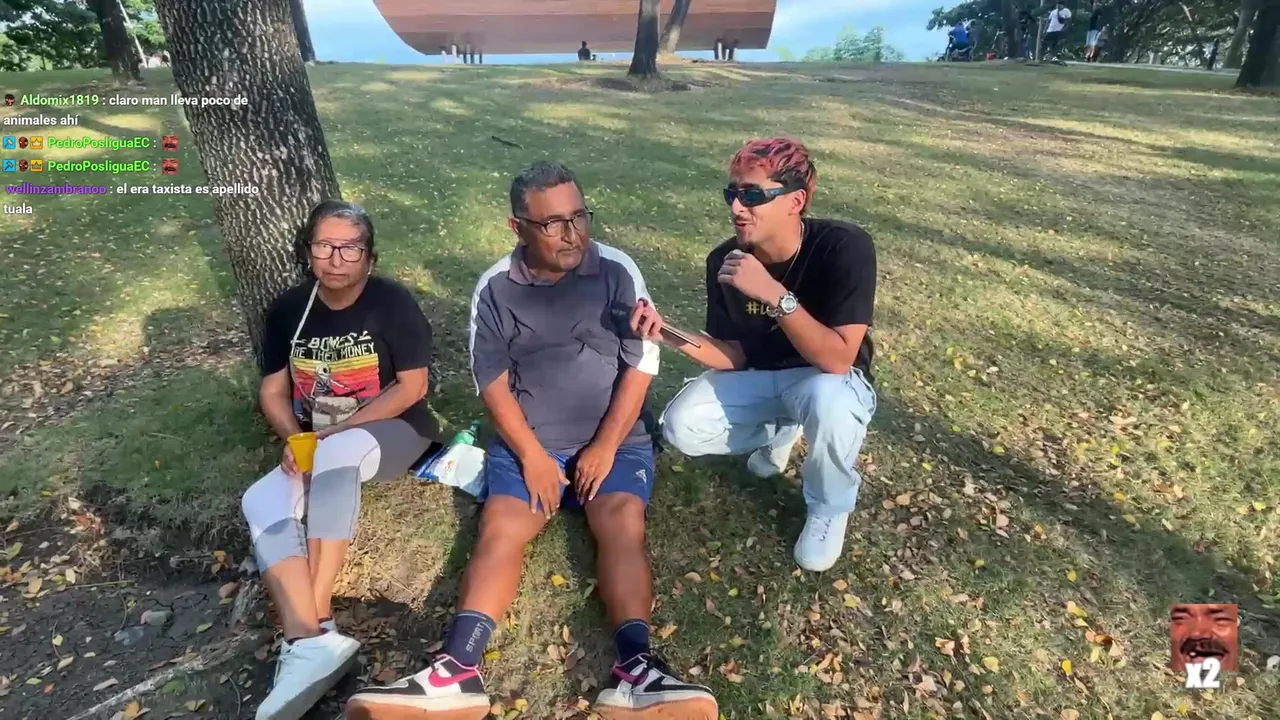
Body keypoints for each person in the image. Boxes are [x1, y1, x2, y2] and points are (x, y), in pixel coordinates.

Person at [343, 162, 718, 720]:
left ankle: (638, 672)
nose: (572, 234)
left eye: (579, 217)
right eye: (553, 224)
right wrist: (534, 457)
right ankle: (456, 673)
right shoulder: (495, 288)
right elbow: (491, 384)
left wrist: (605, 447)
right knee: (502, 526)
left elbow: (641, 364)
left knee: (621, 522)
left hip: (613, 439)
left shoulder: (618, 270)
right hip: (530, 441)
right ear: (517, 227)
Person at [634, 137, 877, 573]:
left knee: (828, 402)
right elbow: (734, 354)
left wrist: (773, 294)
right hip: (764, 378)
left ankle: (828, 506)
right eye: (732, 193)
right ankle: (781, 430)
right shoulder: (724, 260)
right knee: (681, 426)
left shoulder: (844, 247)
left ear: (795, 201)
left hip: (830, 380)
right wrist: (669, 335)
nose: (736, 207)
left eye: (751, 195)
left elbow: (839, 359)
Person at [241, 200, 444, 720]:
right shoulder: (289, 309)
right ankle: (310, 641)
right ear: (308, 253)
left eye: (350, 248)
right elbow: (272, 391)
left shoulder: (392, 303)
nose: (336, 258)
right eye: (324, 246)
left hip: (397, 432)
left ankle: (317, 616)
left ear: (369, 257)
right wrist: (296, 439)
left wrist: (334, 435)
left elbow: (412, 388)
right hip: (322, 440)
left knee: (337, 451)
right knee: (261, 498)